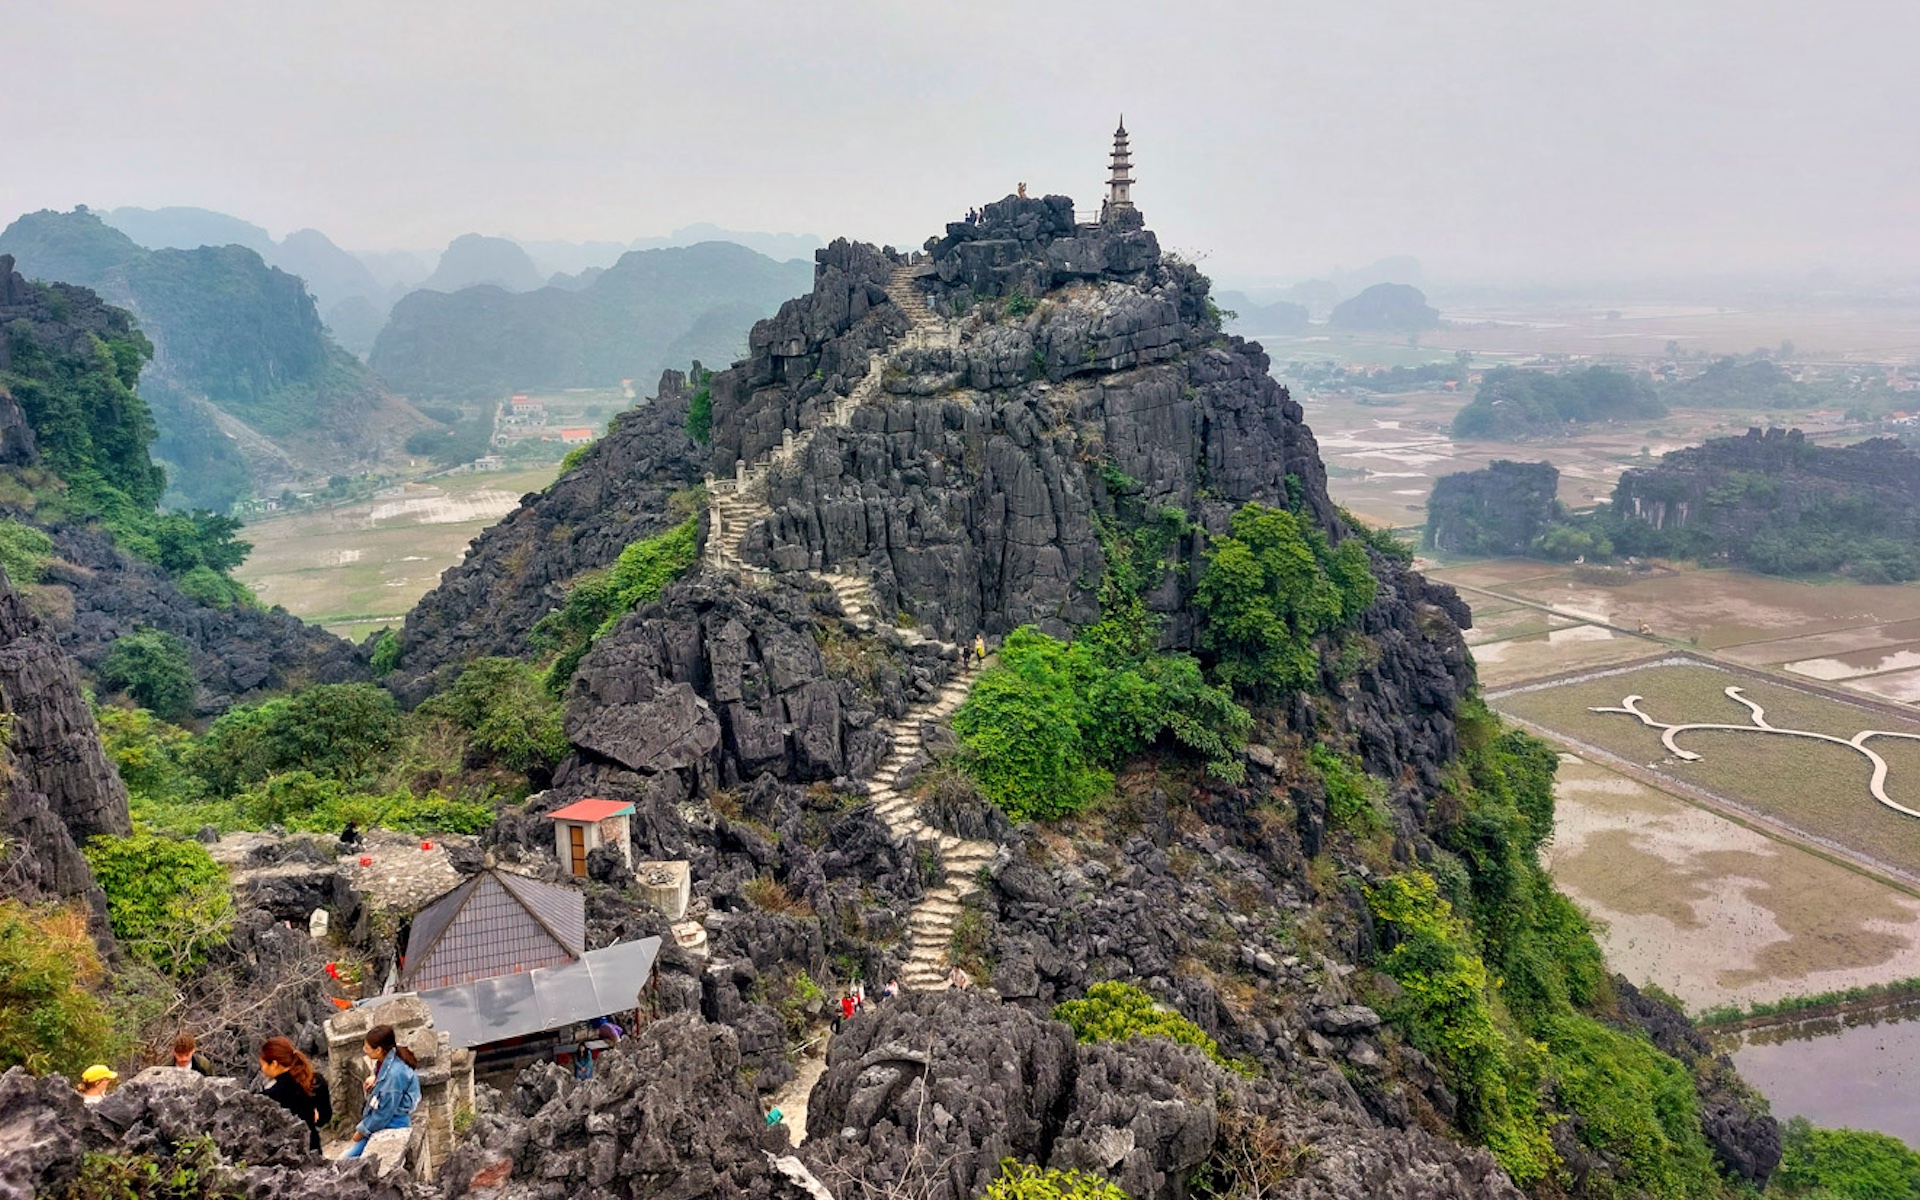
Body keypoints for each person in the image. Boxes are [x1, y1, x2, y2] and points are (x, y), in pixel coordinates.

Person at [344, 1024, 419, 1158]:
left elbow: (384, 1113)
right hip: (390, 1116)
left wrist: (361, 1131)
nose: (364, 1050)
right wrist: (376, 1078)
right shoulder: (388, 1059)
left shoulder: (393, 1076)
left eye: (367, 1048)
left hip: (394, 1121)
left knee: (347, 1158)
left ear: (378, 1050)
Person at [260, 1036, 331, 1153]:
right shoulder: (315, 1081)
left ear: (274, 1064)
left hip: (286, 1152)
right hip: (313, 1148)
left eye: (263, 1064)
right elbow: (325, 1117)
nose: (262, 1069)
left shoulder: (270, 1096)